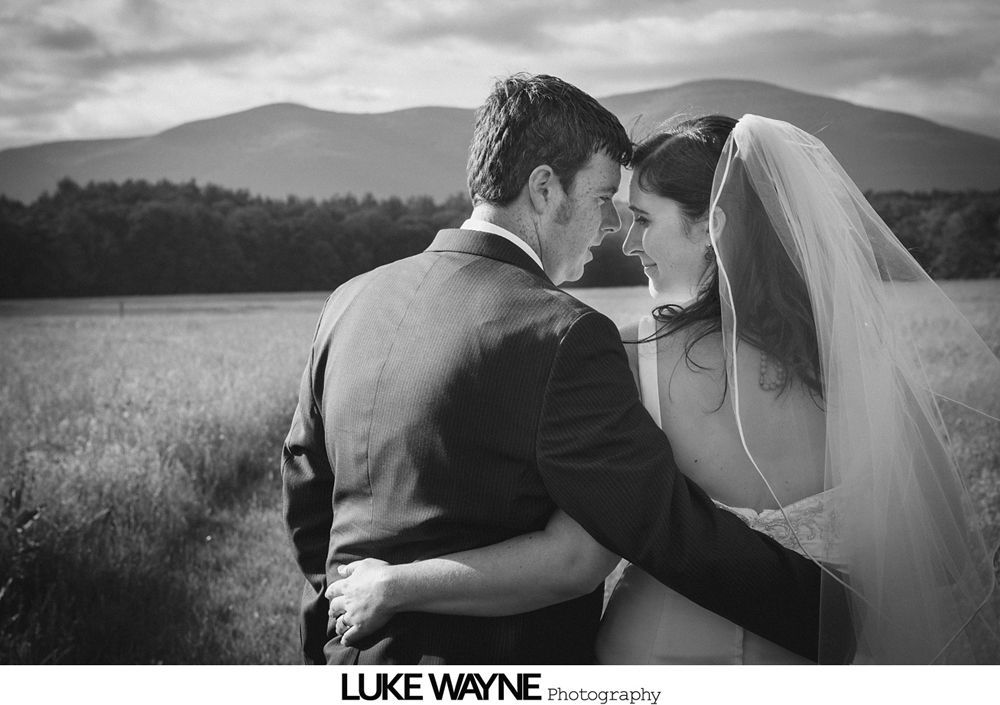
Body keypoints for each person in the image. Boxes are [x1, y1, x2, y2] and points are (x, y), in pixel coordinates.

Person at [325, 114, 1000, 664]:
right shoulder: (860, 360)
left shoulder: (629, 353)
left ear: (713, 225)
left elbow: (575, 559)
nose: (630, 241)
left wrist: (395, 583)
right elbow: (945, 555)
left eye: (646, 218)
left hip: (656, 658)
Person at [282, 76, 832, 665]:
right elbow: (658, 526)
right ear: (544, 188)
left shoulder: (349, 301)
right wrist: (843, 621)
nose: (610, 228)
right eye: (601, 200)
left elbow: (307, 493)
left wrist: (346, 611)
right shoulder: (563, 333)